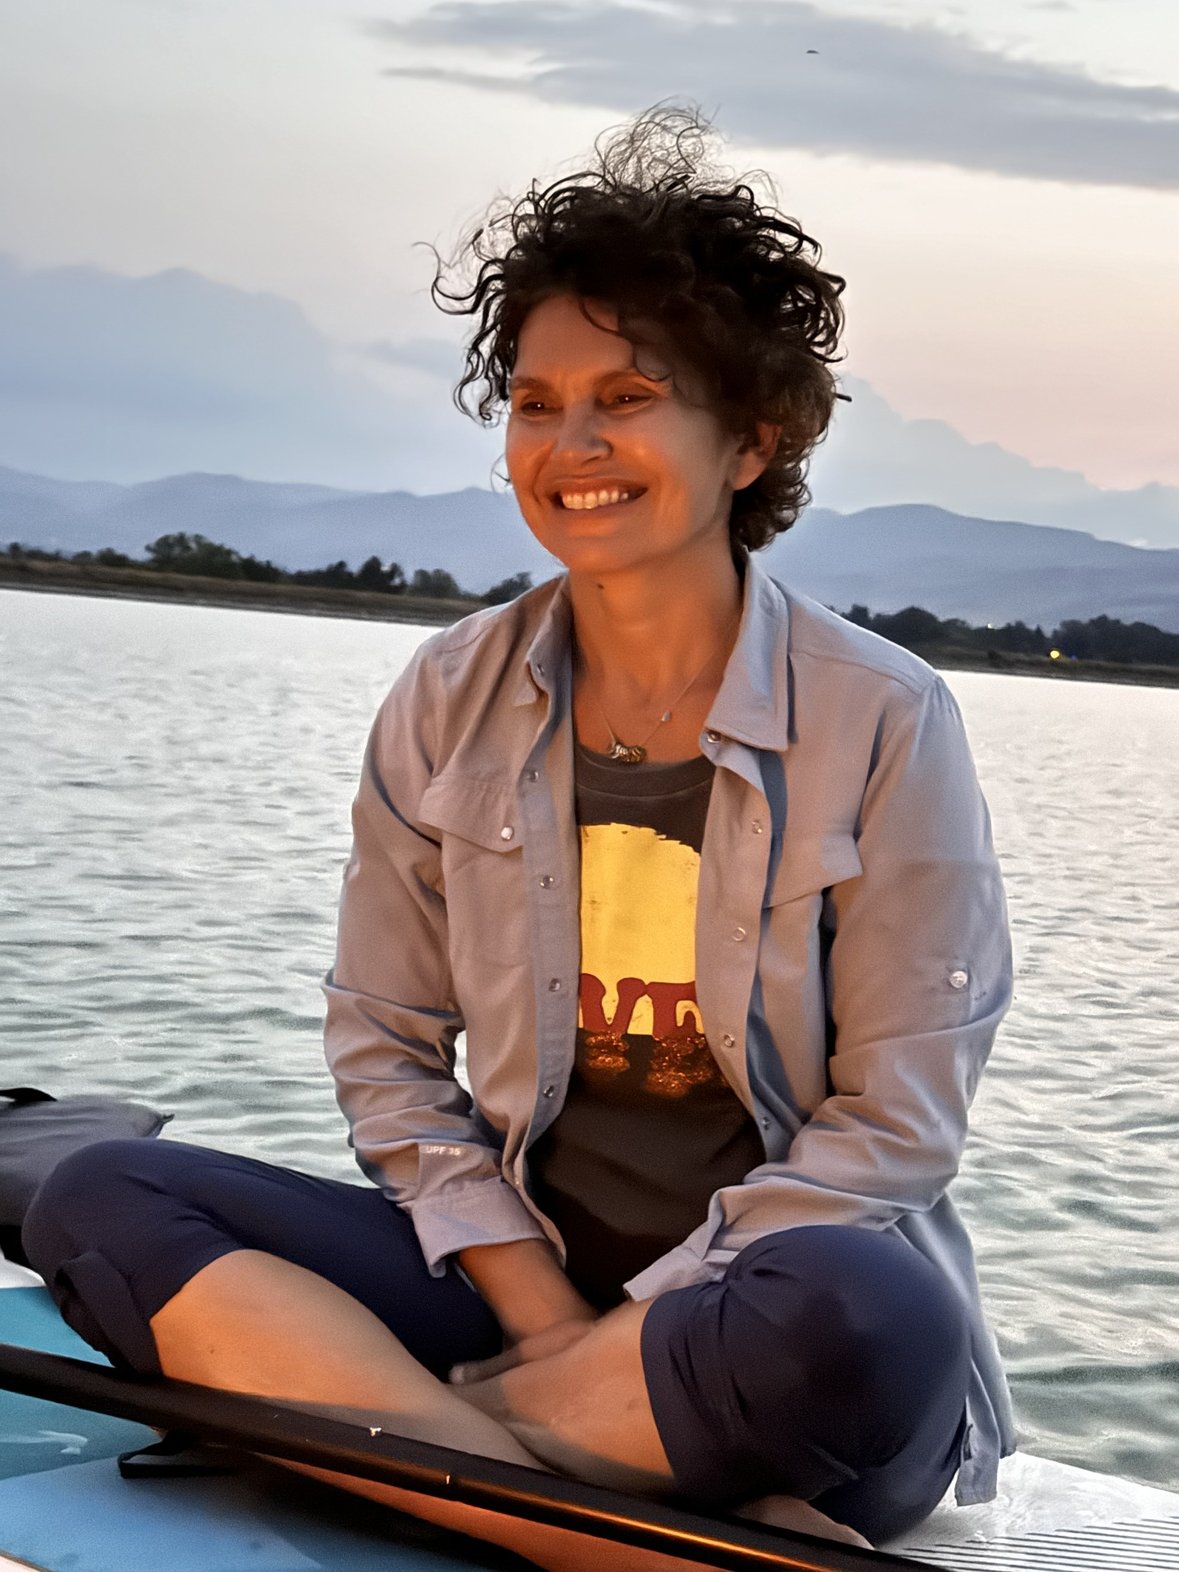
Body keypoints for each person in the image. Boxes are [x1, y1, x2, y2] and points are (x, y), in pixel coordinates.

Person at [23, 105, 1014, 1566]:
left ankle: (388, 1437)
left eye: (626, 396)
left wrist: (621, 1335)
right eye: (538, 402)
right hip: (516, 1285)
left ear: (753, 438)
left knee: (867, 1315)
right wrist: (543, 1317)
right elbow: (384, 1049)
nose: (574, 444)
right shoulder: (451, 693)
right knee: (103, 1195)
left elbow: (890, 1134)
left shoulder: (882, 718)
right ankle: (609, 1533)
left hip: (757, 1330)